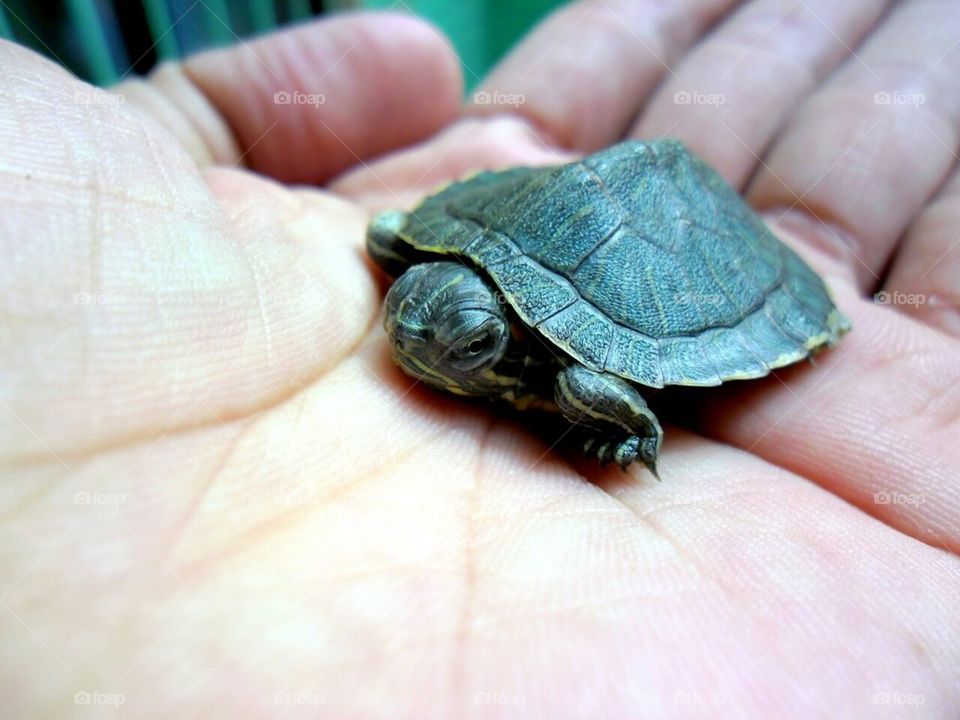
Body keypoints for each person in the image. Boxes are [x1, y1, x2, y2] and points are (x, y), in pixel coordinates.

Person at [1, 2, 958, 716]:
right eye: (409, 321)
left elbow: (602, 385)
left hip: (692, 249)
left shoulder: (567, 370)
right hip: (521, 215)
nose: (416, 347)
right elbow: (394, 237)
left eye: (459, 345)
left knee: (592, 380)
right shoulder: (422, 258)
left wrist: (625, 427)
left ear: (494, 347)